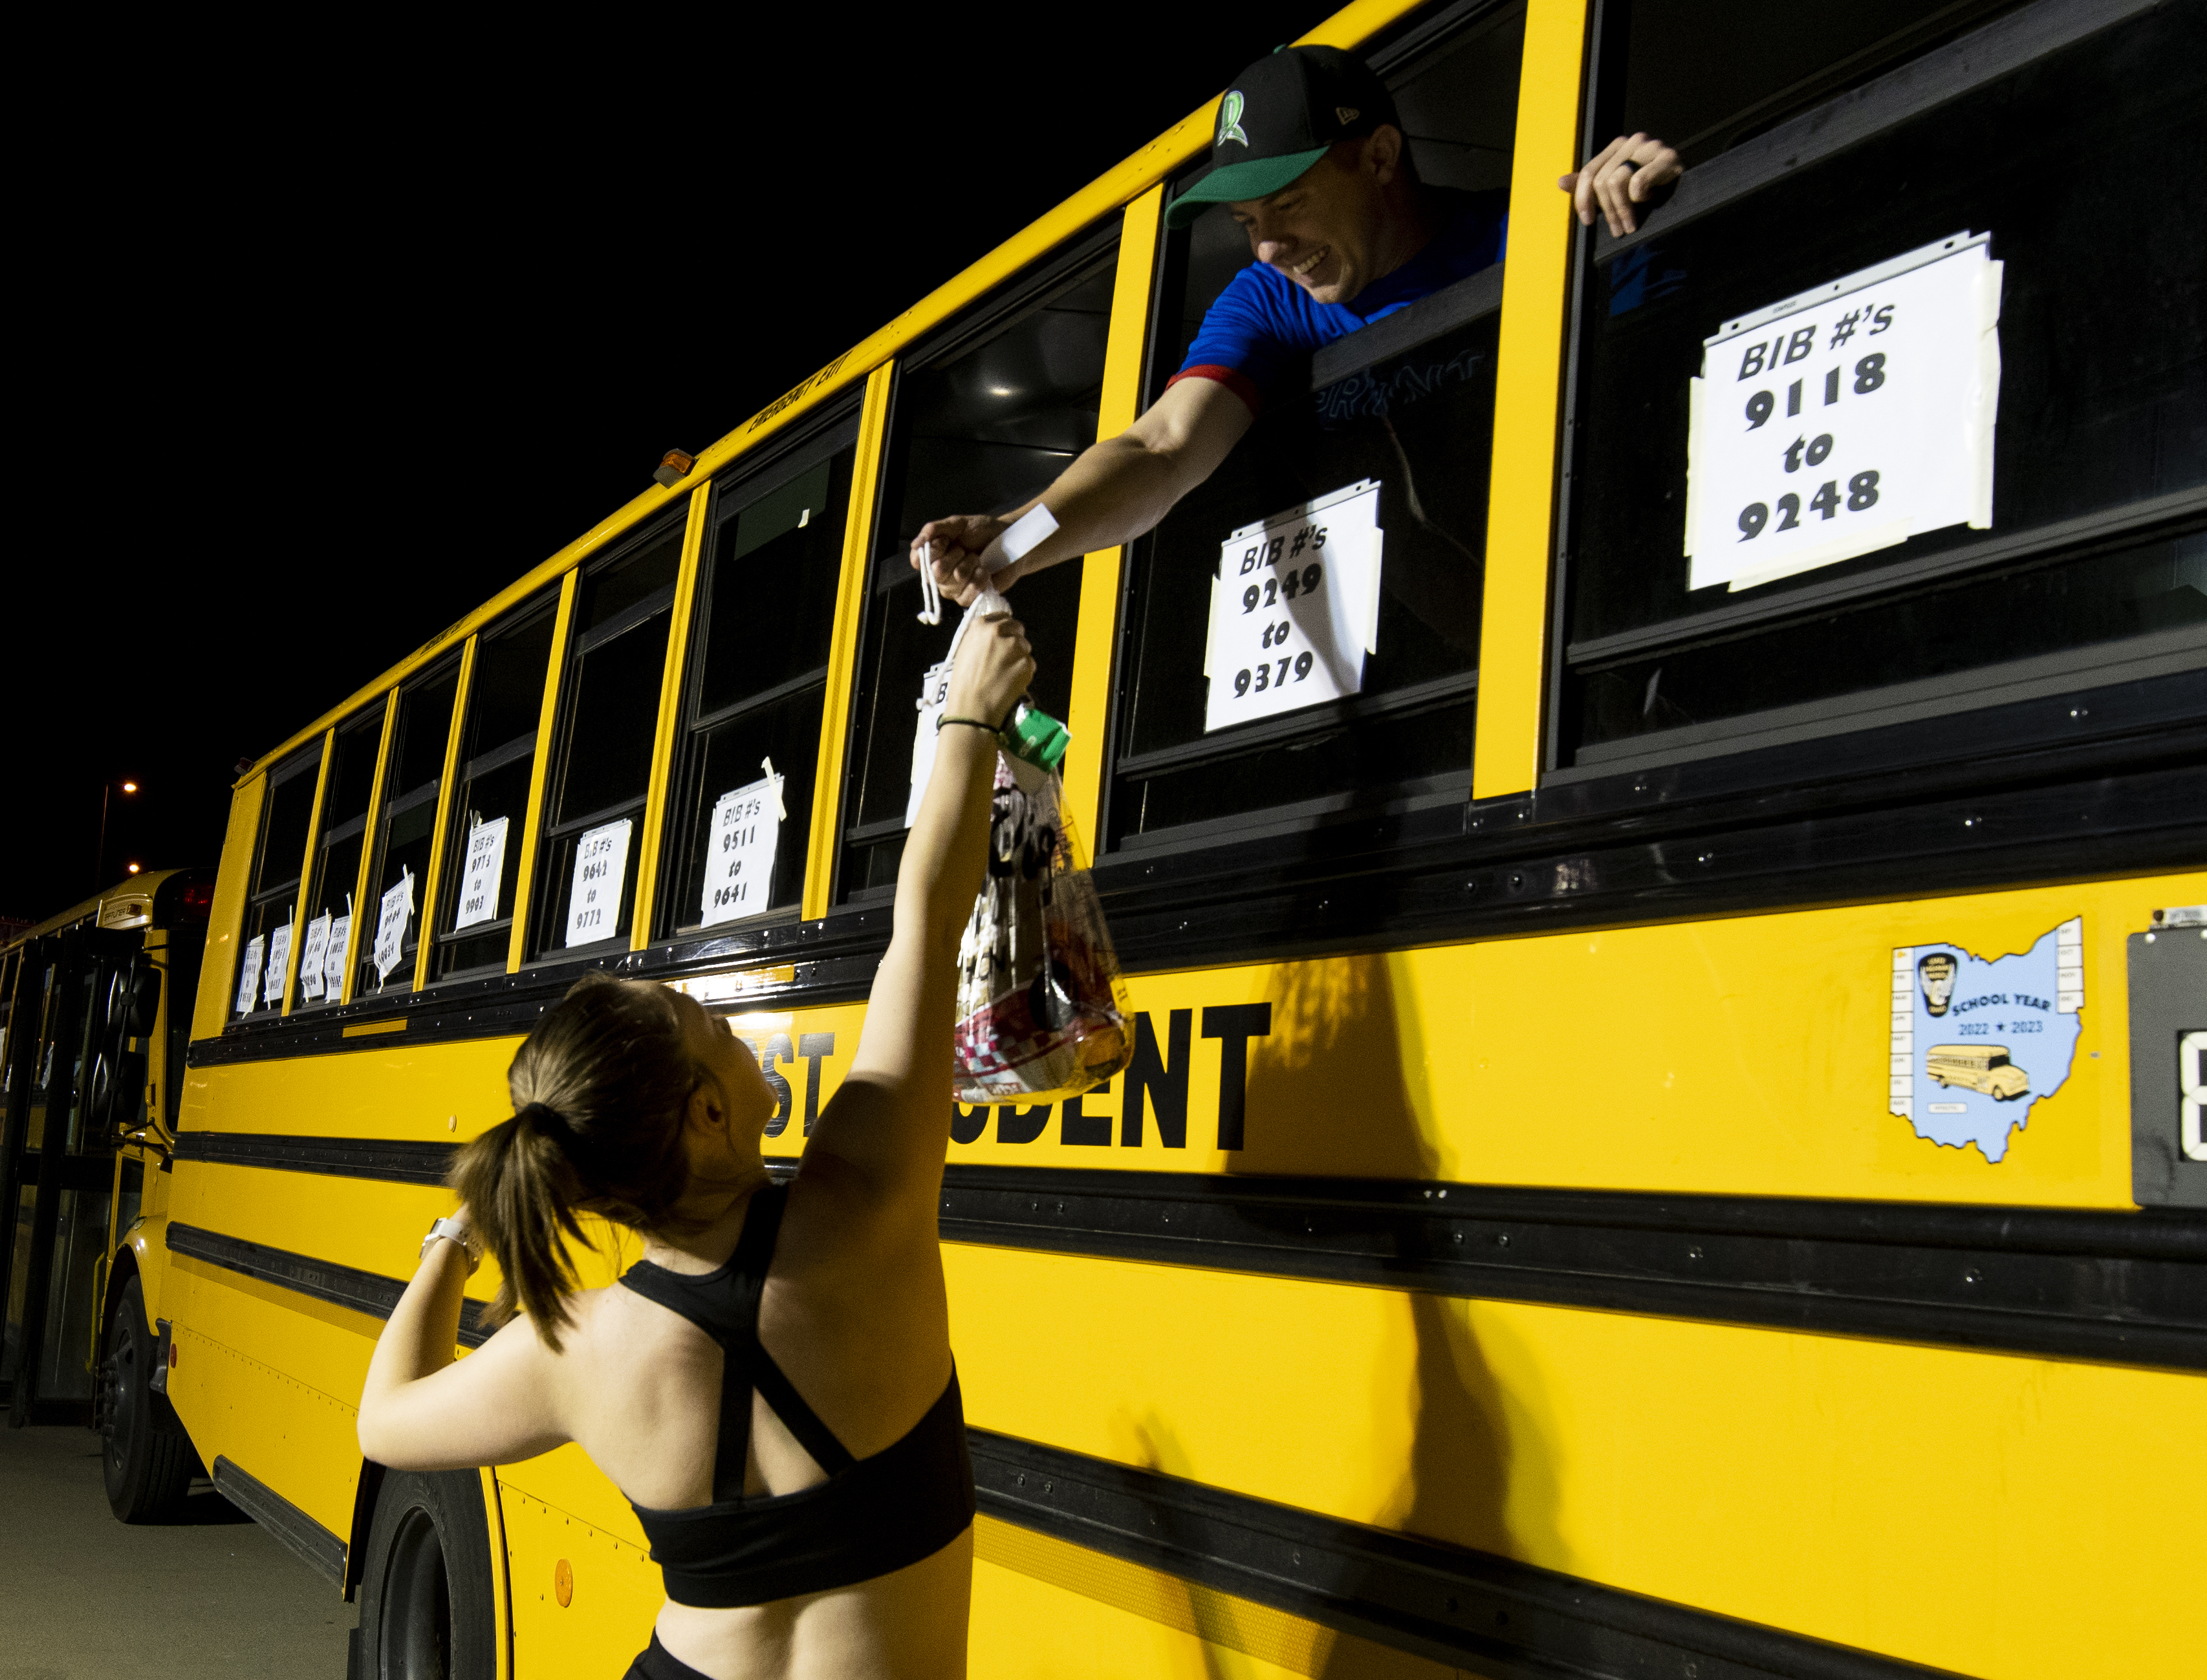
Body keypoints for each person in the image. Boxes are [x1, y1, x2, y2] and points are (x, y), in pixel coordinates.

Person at [356, 604, 1037, 1680]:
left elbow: (385, 1420)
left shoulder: (575, 1351)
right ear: (708, 1113)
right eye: (704, 1020)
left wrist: (456, 1240)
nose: (725, 1020)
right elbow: (926, 917)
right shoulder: (861, 1204)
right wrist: (969, 716)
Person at [910, 45, 1684, 607]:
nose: (1270, 247)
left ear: (1380, 156)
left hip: (1625, 602)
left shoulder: (1533, 235)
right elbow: (1159, 448)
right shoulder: (1269, 300)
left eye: (1289, 204)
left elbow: (1678, 382)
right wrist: (1012, 538)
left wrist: (1648, 206)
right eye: (1248, 221)